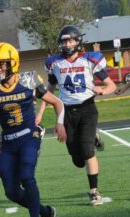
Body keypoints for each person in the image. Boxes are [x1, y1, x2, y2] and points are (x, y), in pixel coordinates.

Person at [0, 42, 67, 217]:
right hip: (8, 142)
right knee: (11, 191)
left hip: (28, 136)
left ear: (13, 63)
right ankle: (46, 213)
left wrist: (60, 123)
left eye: (2, 64)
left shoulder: (28, 80)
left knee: (27, 175)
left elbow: (57, 102)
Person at [41, 25, 117, 206]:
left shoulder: (90, 60)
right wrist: (41, 112)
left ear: (77, 42)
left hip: (87, 109)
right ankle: (94, 137)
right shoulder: (55, 63)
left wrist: (102, 90)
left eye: (70, 41)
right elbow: (49, 91)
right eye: (64, 41)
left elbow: (111, 85)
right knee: (77, 160)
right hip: (66, 112)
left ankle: (94, 191)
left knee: (87, 150)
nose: (67, 44)